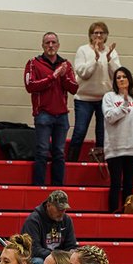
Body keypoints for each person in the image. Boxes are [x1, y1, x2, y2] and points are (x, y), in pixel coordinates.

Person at [25, 32, 78, 186]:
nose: (50, 46)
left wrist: (62, 76)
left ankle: (58, 190)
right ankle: (38, 188)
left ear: (58, 45)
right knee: (41, 152)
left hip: (62, 116)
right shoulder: (33, 63)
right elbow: (30, 86)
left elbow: (74, 88)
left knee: (59, 154)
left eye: (53, 42)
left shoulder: (66, 65)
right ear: (42, 45)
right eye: (47, 43)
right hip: (43, 114)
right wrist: (52, 77)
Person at [69, 22, 120, 163]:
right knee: (79, 131)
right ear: (90, 35)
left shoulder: (111, 52)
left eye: (102, 33)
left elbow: (117, 75)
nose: (98, 35)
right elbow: (84, 73)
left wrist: (109, 59)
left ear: (106, 35)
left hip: (104, 99)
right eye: (95, 33)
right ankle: (71, 163)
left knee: (102, 134)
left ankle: (99, 164)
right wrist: (95, 58)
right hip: (84, 98)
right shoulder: (83, 50)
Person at [102, 67, 133, 212]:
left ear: (129, 79)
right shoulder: (109, 97)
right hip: (115, 147)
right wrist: (124, 104)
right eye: (118, 77)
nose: (121, 79)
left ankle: (126, 217)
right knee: (115, 183)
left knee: (129, 184)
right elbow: (110, 117)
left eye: (124, 76)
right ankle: (113, 217)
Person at [21, 190, 78, 264]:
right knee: (38, 262)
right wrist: (57, 256)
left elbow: (71, 245)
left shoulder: (67, 220)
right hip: (37, 258)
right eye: (59, 209)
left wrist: (71, 254)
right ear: (48, 205)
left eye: (64, 209)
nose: (62, 212)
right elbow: (33, 249)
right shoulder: (33, 220)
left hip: (58, 258)